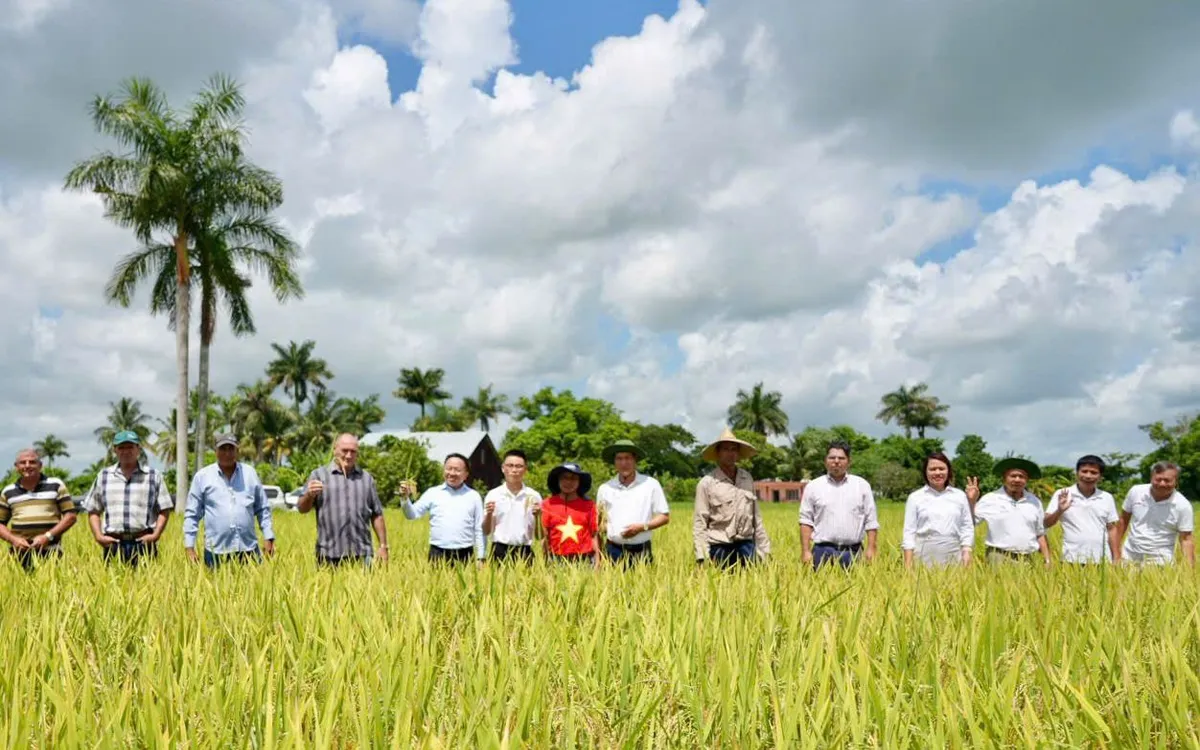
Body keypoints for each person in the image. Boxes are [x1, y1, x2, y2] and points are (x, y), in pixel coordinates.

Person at [183, 433, 276, 568]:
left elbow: (262, 508)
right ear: (215, 451)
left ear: (237, 450)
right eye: (223, 449)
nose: (227, 453)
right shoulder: (202, 477)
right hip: (216, 552)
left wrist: (269, 537)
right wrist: (189, 547)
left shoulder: (249, 474)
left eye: (231, 449)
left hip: (248, 549)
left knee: (254, 582)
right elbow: (192, 514)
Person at [82, 430, 172, 566]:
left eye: (130, 447)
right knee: (112, 579)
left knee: (148, 579)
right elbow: (93, 510)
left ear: (138, 449)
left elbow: (164, 509)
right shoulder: (104, 476)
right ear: (115, 450)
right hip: (113, 543)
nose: (126, 451)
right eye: (121, 448)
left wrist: (156, 534)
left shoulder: (153, 476)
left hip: (144, 542)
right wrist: (98, 536)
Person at [298, 433, 389, 567]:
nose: (348, 455)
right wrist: (309, 495)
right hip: (328, 554)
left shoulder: (366, 479)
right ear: (335, 450)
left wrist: (383, 546)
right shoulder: (319, 475)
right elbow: (302, 508)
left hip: (362, 555)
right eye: (344, 450)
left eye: (353, 451)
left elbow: (377, 514)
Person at [693, 427, 770, 567]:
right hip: (719, 546)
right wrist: (702, 556)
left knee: (752, 579)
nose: (730, 453)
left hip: (746, 545)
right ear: (718, 453)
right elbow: (700, 522)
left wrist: (764, 550)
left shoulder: (747, 478)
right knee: (719, 580)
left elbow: (756, 518)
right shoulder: (707, 483)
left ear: (738, 453)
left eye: (734, 449)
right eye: (726, 449)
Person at [799, 440, 879, 569]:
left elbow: (871, 521)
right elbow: (805, 521)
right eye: (832, 458)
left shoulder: (862, 485)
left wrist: (871, 548)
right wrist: (806, 551)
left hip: (853, 552)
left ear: (849, 461)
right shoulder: (813, 486)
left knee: (856, 582)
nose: (836, 461)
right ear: (825, 461)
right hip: (822, 551)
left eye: (841, 458)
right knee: (819, 582)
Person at [401, 453, 486, 566]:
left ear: (466, 474)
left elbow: (479, 528)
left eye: (457, 470)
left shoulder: (473, 496)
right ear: (443, 470)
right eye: (449, 468)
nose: (452, 473)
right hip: (438, 552)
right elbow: (412, 515)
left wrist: (481, 556)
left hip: (465, 553)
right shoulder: (432, 493)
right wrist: (405, 498)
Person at [0, 448, 78, 571]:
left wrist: (47, 537)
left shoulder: (56, 485)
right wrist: (14, 540)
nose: (27, 466)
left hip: (51, 553)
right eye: (23, 462)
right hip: (19, 553)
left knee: (54, 583)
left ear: (40, 465)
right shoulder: (8, 491)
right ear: (16, 467)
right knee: (20, 583)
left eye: (32, 462)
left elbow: (71, 516)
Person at [596, 439, 670, 565]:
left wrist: (642, 527)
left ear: (635, 460)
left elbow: (664, 517)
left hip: (641, 550)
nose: (623, 463)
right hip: (613, 550)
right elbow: (599, 523)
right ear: (614, 462)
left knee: (644, 578)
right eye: (619, 459)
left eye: (628, 458)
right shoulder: (605, 488)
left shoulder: (650, 484)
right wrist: (599, 558)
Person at [966, 457, 1051, 566]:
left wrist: (1047, 559)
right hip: (998, 557)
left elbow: (1040, 533)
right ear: (1004, 478)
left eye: (1021, 476)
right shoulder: (991, 499)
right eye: (1013, 476)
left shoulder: (1034, 502)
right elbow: (970, 523)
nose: (1017, 480)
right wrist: (971, 502)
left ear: (1027, 480)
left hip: (1028, 558)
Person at [1043, 455, 1120, 564]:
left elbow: (1111, 529)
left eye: (1093, 472)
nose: (1088, 476)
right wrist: (1059, 510)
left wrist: (1116, 557)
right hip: (1070, 559)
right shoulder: (1063, 494)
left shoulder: (1106, 497)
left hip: (1102, 560)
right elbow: (1046, 523)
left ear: (1100, 476)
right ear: (1077, 473)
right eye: (1084, 471)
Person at [901, 451, 973, 567]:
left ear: (948, 471)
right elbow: (909, 532)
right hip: (924, 553)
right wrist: (908, 565)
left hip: (954, 553)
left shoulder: (959, 496)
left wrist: (967, 550)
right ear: (925, 472)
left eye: (941, 469)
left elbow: (966, 526)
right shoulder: (915, 498)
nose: (937, 472)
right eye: (932, 469)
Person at [1118, 461, 1195, 565]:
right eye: (1158, 479)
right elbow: (1123, 520)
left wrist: (1189, 569)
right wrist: (1115, 551)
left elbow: (1186, 539)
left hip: (1161, 562)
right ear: (1151, 478)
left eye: (1167, 480)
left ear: (1176, 482)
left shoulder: (1183, 505)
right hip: (1128, 556)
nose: (1162, 484)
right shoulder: (1136, 492)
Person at [482, 449, 541, 563]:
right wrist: (489, 514)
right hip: (499, 550)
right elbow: (486, 531)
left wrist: (539, 516)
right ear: (503, 468)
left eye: (519, 466)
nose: (514, 470)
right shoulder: (493, 495)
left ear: (525, 469)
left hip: (525, 551)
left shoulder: (534, 496)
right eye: (510, 465)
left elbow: (539, 535)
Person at [540, 463, 600, 566]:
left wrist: (598, 563)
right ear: (558, 480)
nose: (568, 482)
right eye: (564, 478)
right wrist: (543, 563)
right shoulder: (548, 504)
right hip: (556, 560)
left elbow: (594, 536)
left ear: (579, 482)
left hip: (583, 560)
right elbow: (544, 536)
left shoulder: (589, 505)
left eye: (573, 478)